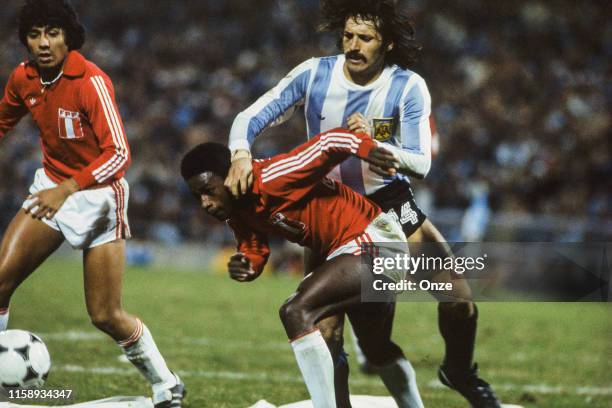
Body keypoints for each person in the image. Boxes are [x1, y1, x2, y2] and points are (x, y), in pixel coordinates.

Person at [225, 1, 502, 407]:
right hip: (329, 212)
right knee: (330, 331)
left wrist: (372, 142)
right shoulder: (314, 73)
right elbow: (249, 117)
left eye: (366, 38)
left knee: (459, 301)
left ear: (386, 43)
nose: (354, 46)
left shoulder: (407, 86)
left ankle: (458, 371)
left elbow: (421, 161)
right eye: (348, 36)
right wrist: (240, 154)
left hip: (390, 206)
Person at [0, 1, 184, 406]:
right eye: (34, 34)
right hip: (50, 186)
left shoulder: (91, 81)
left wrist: (66, 189)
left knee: (104, 314)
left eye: (52, 32)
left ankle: (165, 381)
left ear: (68, 36)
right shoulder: (23, 77)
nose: (43, 43)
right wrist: (57, 187)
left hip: (98, 198)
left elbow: (119, 154)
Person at [182, 128, 429, 408]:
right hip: (347, 252)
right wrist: (248, 264)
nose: (204, 203)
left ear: (231, 175)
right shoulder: (236, 211)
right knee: (363, 344)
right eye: (197, 197)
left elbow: (332, 141)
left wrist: (370, 150)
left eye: (208, 191)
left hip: (376, 241)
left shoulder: (273, 177)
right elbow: (254, 248)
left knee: (296, 310)